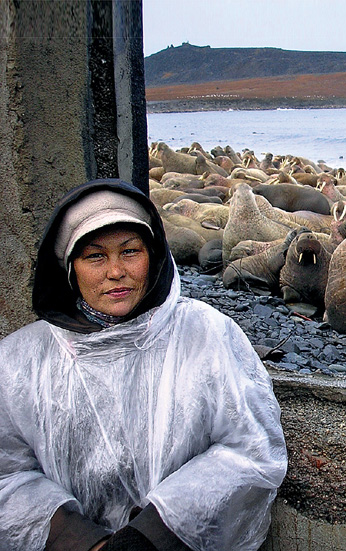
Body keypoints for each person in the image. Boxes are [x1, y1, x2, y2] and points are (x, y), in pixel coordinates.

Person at [0, 179, 287, 551]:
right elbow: (7, 471)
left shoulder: (207, 335)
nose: (116, 271)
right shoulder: (22, 361)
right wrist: (77, 538)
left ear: (153, 255)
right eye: (95, 256)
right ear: (70, 268)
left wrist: (149, 536)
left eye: (130, 251)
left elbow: (252, 447)